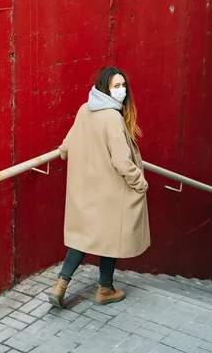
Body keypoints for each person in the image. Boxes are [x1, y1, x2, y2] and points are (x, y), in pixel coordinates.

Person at [48, 66, 150, 308]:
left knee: (83, 239)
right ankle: (105, 289)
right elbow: (122, 161)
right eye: (116, 86)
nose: (121, 90)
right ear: (105, 87)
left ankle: (60, 285)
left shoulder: (85, 109)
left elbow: (67, 145)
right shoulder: (113, 117)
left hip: (88, 190)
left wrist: (66, 152)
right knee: (110, 239)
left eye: (123, 85)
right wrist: (140, 182)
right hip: (110, 192)